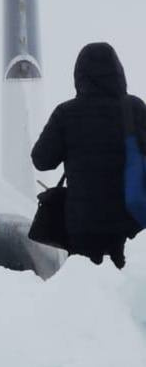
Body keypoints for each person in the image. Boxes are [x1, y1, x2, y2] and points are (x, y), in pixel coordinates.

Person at [32, 42, 146, 268]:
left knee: (86, 291)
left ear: (79, 76)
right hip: (129, 222)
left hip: (82, 225)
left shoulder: (66, 113)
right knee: (129, 288)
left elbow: (42, 160)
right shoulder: (134, 107)